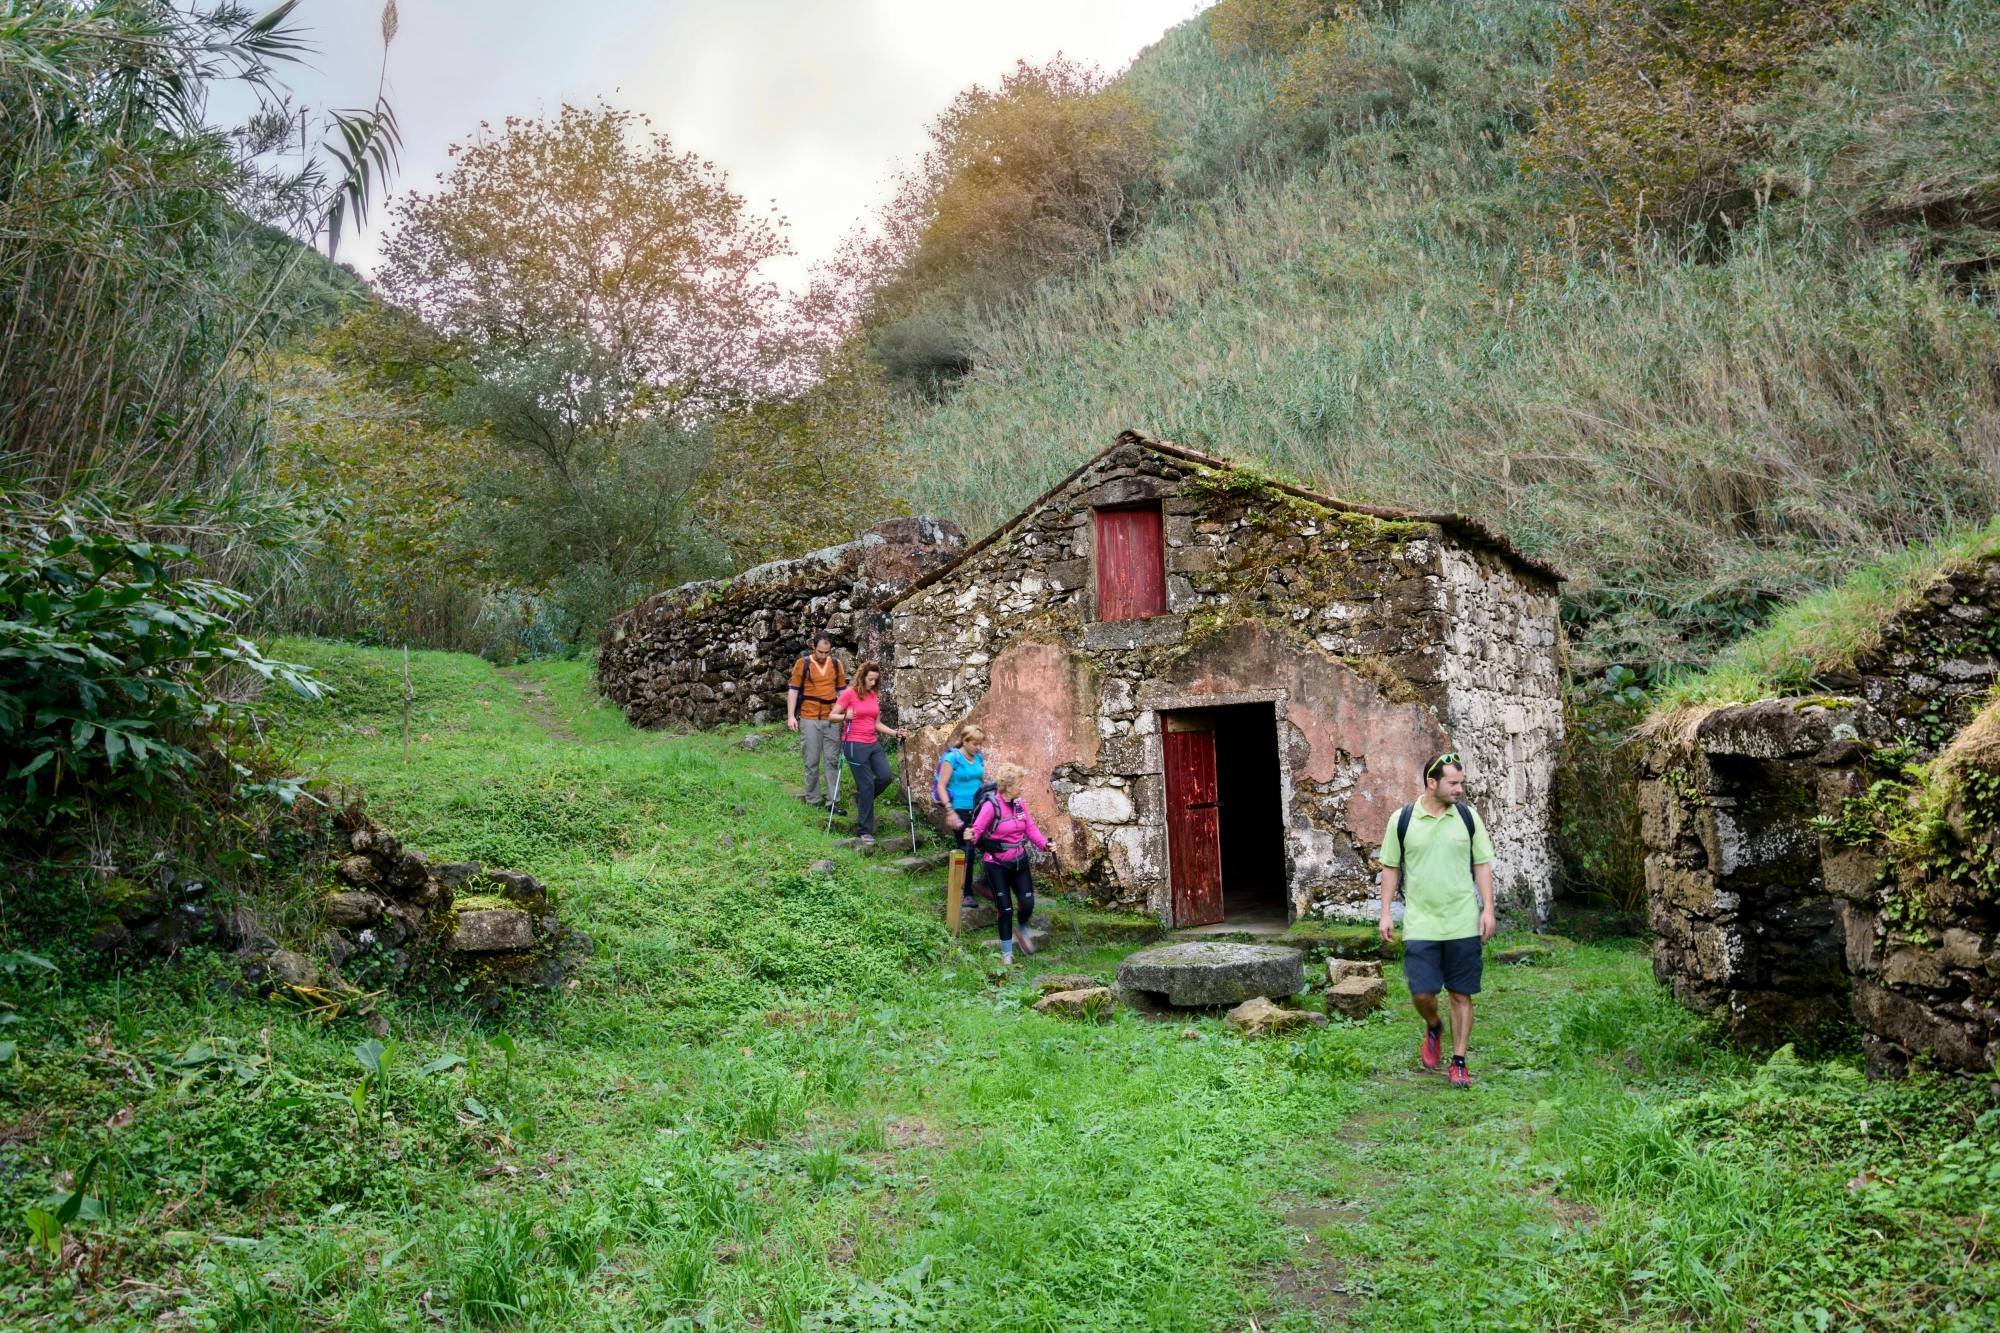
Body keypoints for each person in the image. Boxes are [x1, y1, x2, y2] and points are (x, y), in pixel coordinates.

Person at [1378, 751, 1497, 1088]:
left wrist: (1487, 908)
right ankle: (1433, 1026)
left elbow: (1482, 865)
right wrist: (1386, 912)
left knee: (1461, 994)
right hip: (1421, 923)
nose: (1460, 789)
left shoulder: (1468, 818)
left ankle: (1459, 1061)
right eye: (1453, 783)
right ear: (1432, 782)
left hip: (1462, 921)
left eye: (1462, 783)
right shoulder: (1401, 820)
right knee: (1422, 993)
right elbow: (1391, 867)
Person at [966, 762, 1050, 965]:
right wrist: (971, 835)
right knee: (1005, 909)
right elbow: (976, 831)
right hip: (996, 865)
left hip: (1019, 861)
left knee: (1028, 903)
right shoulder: (991, 806)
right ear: (1009, 786)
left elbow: (1030, 828)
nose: (1022, 787)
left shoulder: (1020, 804)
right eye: (1019, 783)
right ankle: (1006, 953)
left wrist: (1045, 844)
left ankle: (1021, 929)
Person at [828, 660, 903, 846]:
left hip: (872, 742)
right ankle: (865, 830)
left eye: (875, 680)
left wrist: (895, 733)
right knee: (867, 784)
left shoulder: (872, 695)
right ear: (862, 677)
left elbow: (876, 723)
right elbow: (831, 716)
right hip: (854, 744)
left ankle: (860, 798)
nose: (873, 683)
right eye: (870, 679)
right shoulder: (849, 694)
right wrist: (846, 716)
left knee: (886, 776)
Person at [787, 634, 847, 812]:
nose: (823, 655)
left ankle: (832, 802)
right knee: (811, 760)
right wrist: (791, 716)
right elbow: (793, 690)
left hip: (831, 718)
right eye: (820, 651)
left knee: (831, 760)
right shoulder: (803, 664)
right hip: (809, 717)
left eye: (827, 652)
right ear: (813, 647)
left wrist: (843, 710)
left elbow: (842, 691)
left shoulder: (836, 664)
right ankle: (813, 800)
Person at [933, 724, 989, 911]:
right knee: (968, 849)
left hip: (979, 809)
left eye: (980, 744)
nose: (978, 747)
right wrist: (950, 811)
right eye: (975, 744)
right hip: (959, 810)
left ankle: (984, 884)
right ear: (965, 741)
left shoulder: (979, 757)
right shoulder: (952, 758)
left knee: (992, 843)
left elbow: (980, 782)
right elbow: (941, 785)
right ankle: (965, 893)